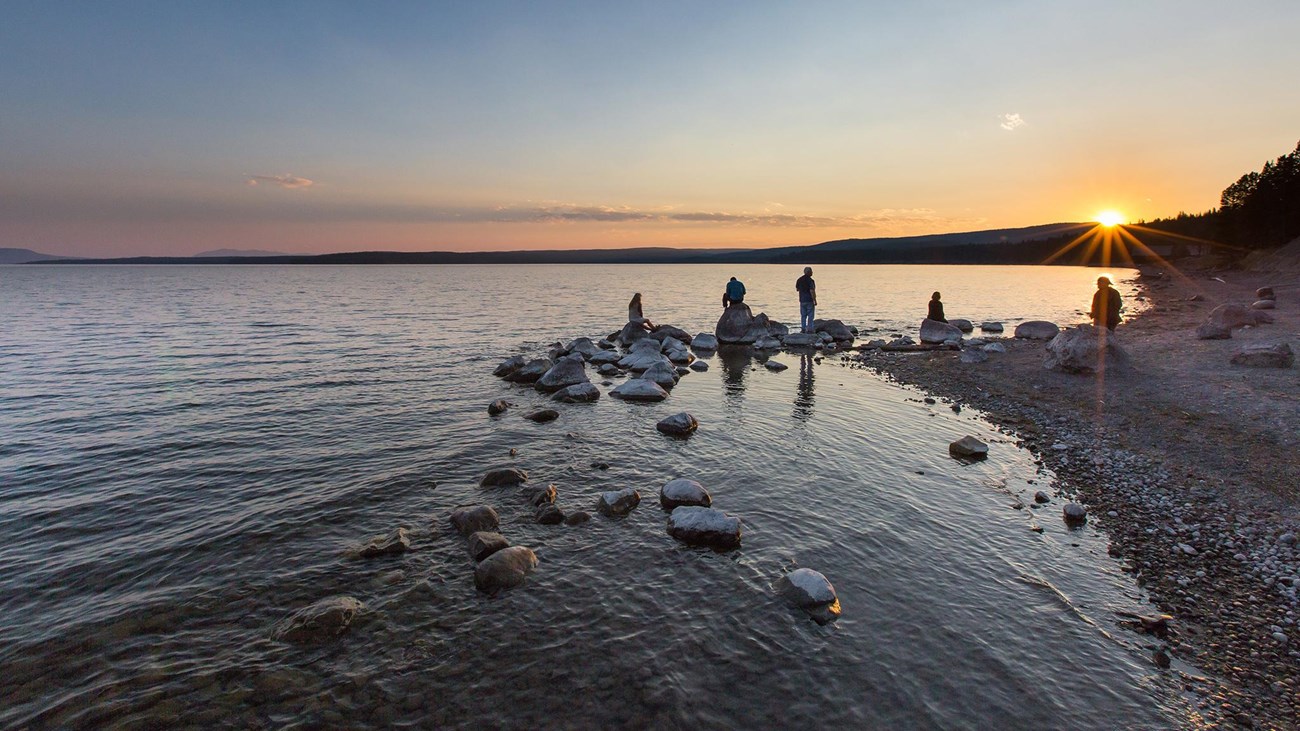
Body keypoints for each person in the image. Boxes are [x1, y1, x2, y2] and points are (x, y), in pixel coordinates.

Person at [795, 267, 816, 333]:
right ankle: (810, 329)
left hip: (802, 300)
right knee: (810, 315)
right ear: (809, 272)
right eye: (811, 271)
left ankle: (803, 328)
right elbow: (812, 291)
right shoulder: (811, 281)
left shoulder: (799, 280)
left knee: (803, 315)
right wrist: (814, 299)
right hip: (809, 300)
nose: (812, 272)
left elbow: (797, 289)